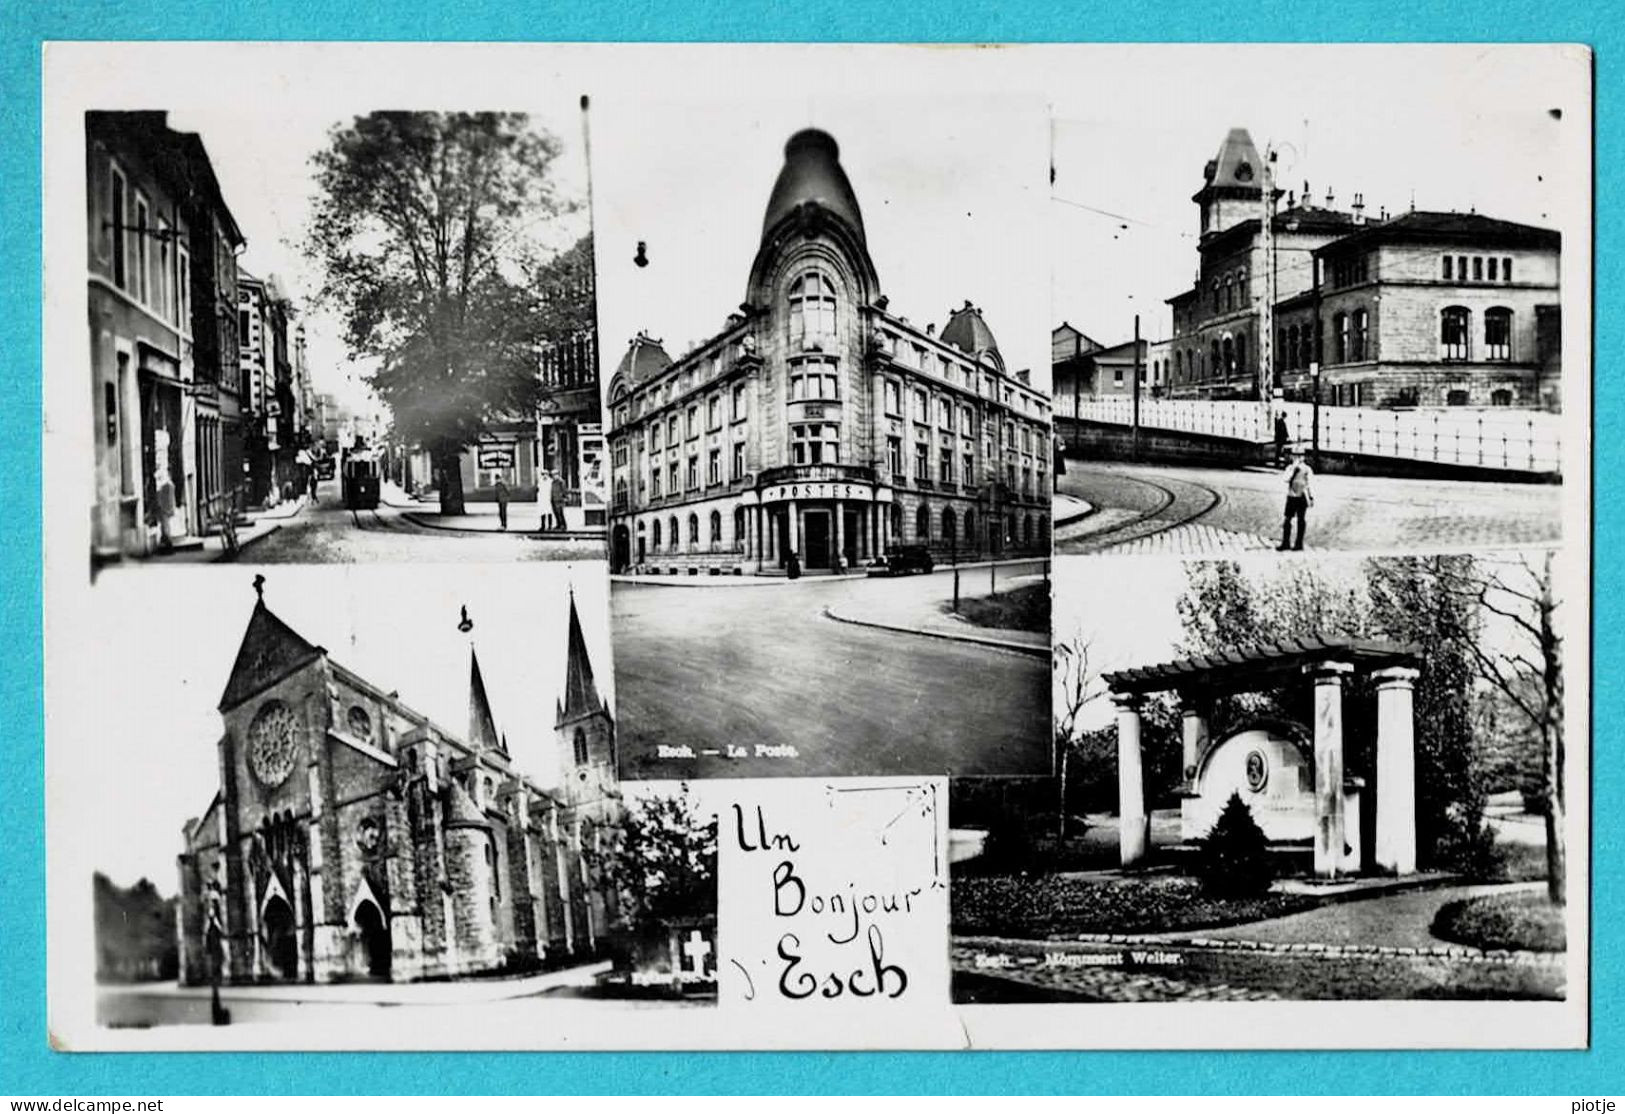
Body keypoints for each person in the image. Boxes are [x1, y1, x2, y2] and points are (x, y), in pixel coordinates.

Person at [1279, 447, 1314, 551]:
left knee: (1301, 519)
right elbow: (1285, 479)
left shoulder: (1307, 469)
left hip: (1302, 495)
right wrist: (1293, 470)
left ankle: (1299, 543)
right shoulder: (1289, 468)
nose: (1297, 458)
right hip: (1291, 495)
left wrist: (1311, 497)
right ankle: (1286, 543)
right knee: (1287, 519)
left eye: (1299, 456)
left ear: (1303, 457)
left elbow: (1310, 484)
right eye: (1294, 456)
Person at [549, 470, 568, 534]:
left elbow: (564, 490)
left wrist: (564, 497)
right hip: (554, 499)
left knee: (560, 513)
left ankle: (563, 525)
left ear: (558, 475)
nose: (554, 476)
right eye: (553, 475)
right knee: (556, 513)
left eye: (555, 475)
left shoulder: (561, 482)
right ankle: (558, 524)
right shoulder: (552, 482)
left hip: (559, 499)